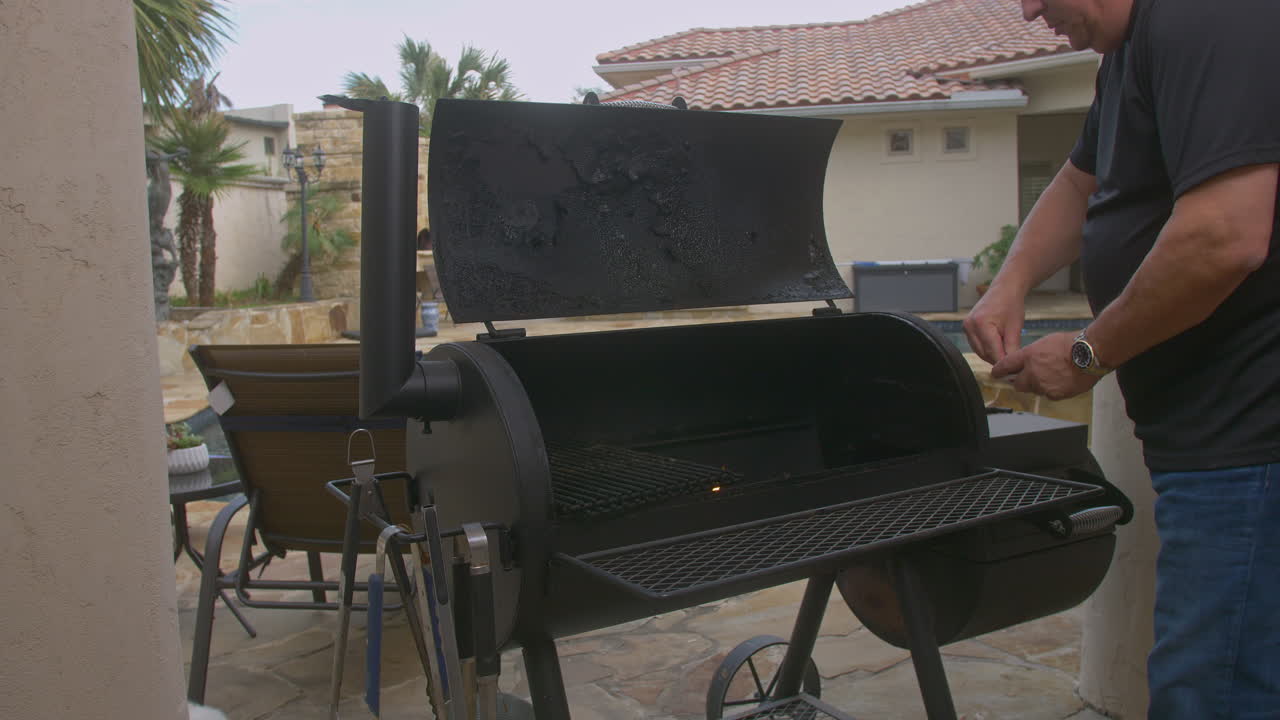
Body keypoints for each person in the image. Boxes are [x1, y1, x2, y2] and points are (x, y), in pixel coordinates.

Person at [964, 1, 1280, 717]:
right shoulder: (1131, 54)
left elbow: (1224, 237)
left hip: (1254, 439)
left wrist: (1084, 355)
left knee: (1214, 688)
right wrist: (1011, 284)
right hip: (1214, 439)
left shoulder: (1205, 18)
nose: (1029, 8)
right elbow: (1081, 182)